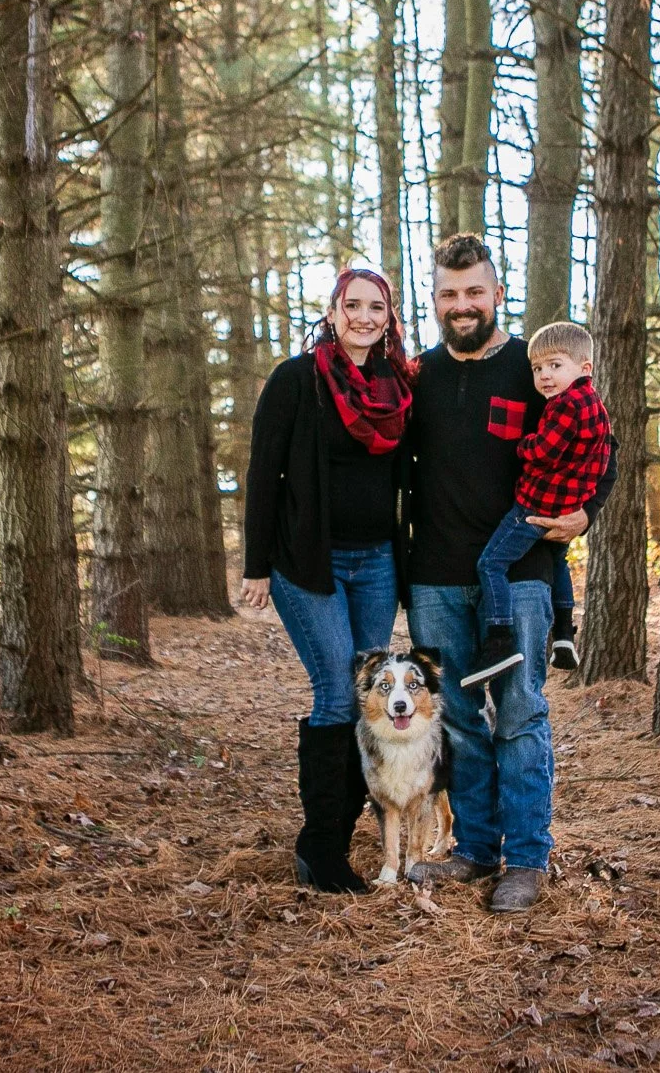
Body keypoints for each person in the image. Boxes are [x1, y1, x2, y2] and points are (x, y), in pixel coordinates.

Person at [400, 235, 615, 913]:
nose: (462, 305)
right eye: (448, 293)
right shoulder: (419, 377)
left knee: (520, 713)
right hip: (434, 576)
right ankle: (474, 852)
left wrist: (589, 512)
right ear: (435, 300)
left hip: (521, 570)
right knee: (460, 717)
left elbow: (599, 443)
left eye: (474, 292)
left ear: (497, 293)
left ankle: (525, 859)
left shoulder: (535, 368)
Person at [241, 267, 415, 894]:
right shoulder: (297, 380)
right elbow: (263, 475)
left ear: (389, 316)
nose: (365, 317)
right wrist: (255, 564)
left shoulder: (397, 386)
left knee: (369, 701)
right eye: (354, 305)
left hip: (376, 565)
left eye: (377, 307)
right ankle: (320, 850)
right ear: (334, 310)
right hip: (308, 563)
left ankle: (342, 836)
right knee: (338, 692)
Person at [460, 321, 609, 689]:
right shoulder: (595, 406)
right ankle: (563, 633)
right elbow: (603, 457)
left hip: (534, 505)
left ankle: (499, 638)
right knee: (558, 561)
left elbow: (542, 450)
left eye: (555, 366)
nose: (544, 376)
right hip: (563, 507)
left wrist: (521, 446)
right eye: (538, 369)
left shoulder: (565, 405)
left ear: (584, 367)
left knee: (491, 564)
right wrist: (582, 499)